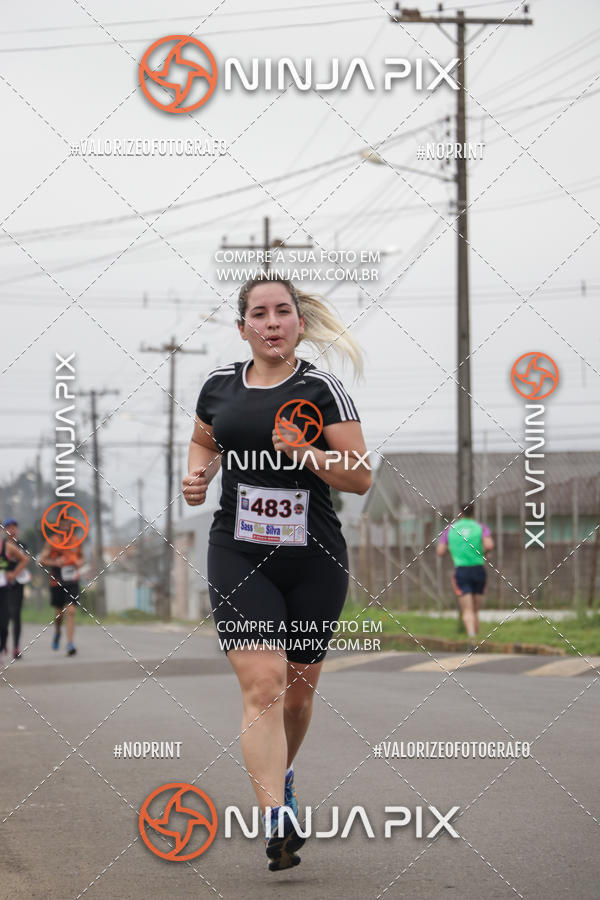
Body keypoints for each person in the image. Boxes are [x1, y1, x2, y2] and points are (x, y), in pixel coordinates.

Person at [183, 274, 370, 871]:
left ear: (299, 323)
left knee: (296, 693)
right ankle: (276, 818)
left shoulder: (323, 390)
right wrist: (198, 476)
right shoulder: (218, 387)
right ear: (242, 328)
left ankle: (283, 774)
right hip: (237, 549)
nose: (271, 322)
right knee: (263, 682)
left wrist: (307, 453)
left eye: (282, 312)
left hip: (313, 554)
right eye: (258, 314)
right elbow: (203, 443)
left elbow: (360, 475)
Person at [436, 503, 494, 639]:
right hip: (479, 570)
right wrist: (484, 552)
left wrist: (454, 550)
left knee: (467, 610)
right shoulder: (480, 527)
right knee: (475, 610)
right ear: (474, 513)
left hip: (461, 571)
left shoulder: (450, 529)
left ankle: (472, 638)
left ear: (460, 513)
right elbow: (489, 545)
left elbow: (440, 551)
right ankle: (479, 641)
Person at [39, 541, 84, 656]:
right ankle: (58, 631)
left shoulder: (75, 540)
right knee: (59, 614)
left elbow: (81, 558)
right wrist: (55, 562)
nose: (65, 525)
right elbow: (42, 561)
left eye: (68, 522)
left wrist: (78, 563)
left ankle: (70, 643)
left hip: (72, 581)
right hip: (57, 582)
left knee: (71, 610)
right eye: (63, 522)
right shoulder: (52, 541)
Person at [0, 520, 29, 664]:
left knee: (14, 615)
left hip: (14, 585)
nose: (12, 530)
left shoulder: (18, 545)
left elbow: (25, 560)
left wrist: (14, 574)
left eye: (14, 527)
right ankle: (3, 643)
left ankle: (15, 647)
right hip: (5, 585)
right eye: (9, 527)